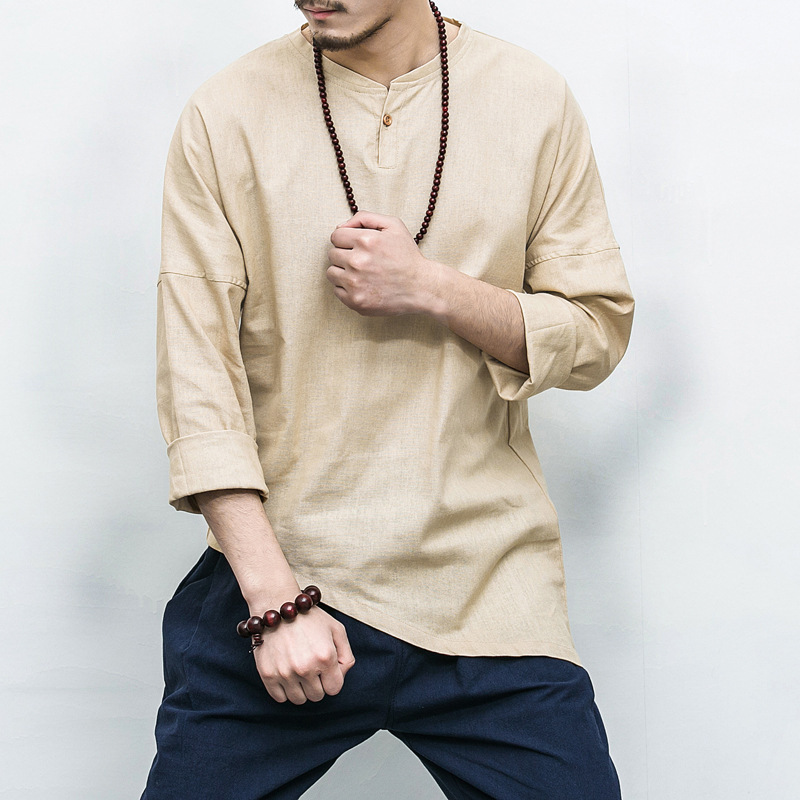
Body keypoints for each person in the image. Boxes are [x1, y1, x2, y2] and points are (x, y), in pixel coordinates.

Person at [142, 0, 634, 797]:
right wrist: (274, 604)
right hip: (287, 586)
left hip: (488, 590)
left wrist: (433, 288)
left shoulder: (530, 97)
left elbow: (595, 333)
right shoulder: (226, 111)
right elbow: (198, 382)